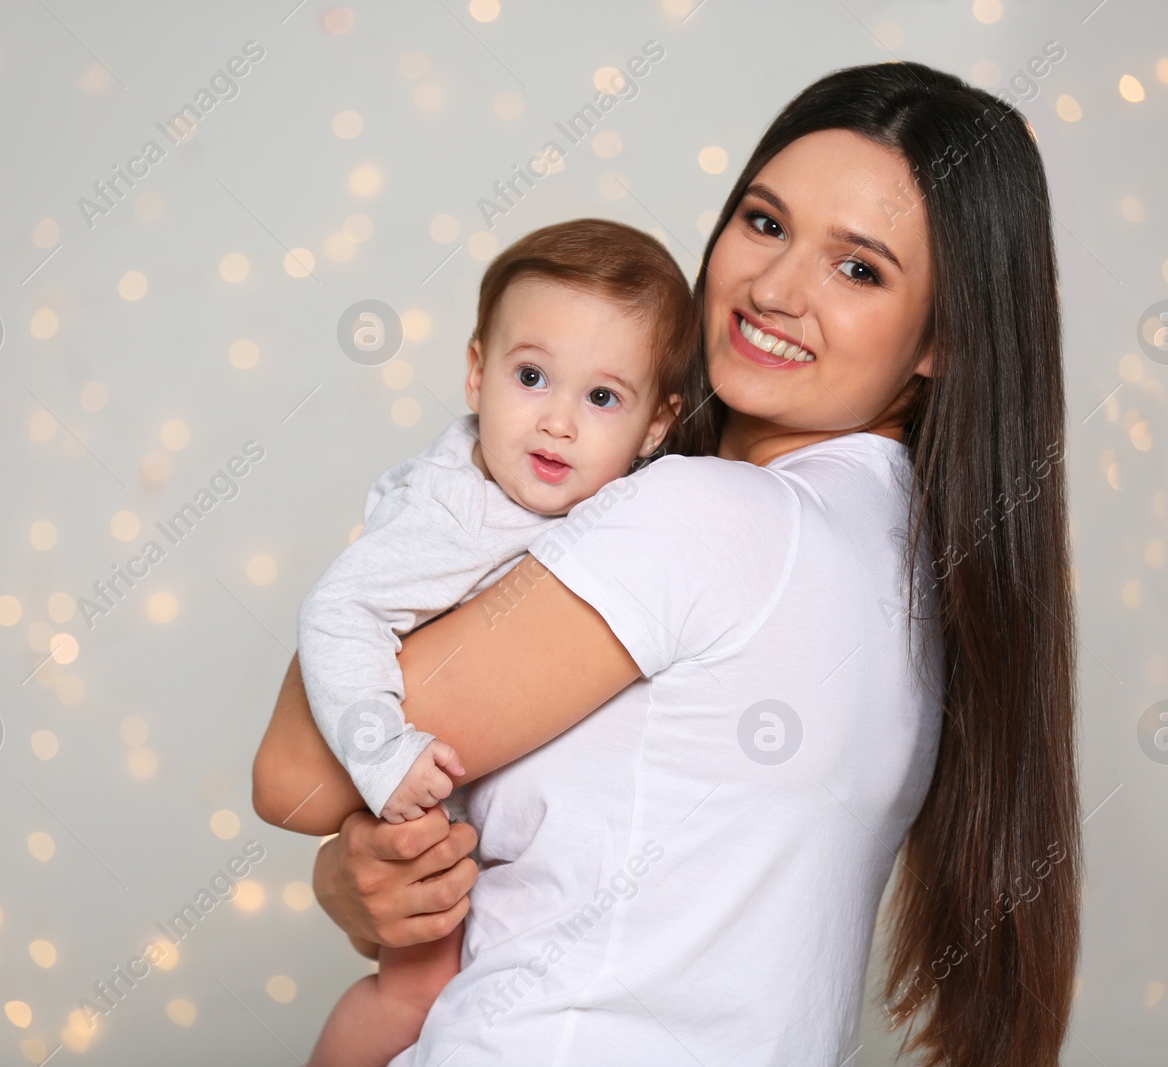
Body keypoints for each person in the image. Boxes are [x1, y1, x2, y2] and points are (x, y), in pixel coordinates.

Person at [255, 60, 1081, 1067]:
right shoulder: (903, 554)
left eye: (858, 268)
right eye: (765, 222)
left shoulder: (706, 517)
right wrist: (370, 879)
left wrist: (452, 493)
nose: (773, 289)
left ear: (943, 337)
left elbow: (294, 774)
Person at [297, 218, 700, 1067]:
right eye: (531, 376)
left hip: (498, 811)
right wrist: (384, 752)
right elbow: (339, 612)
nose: (557, 422)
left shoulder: (626, 505)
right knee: (413, 989)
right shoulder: (453, 513)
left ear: (657, 424)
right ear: (477, 372)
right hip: (415, 790)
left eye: (601, 398)